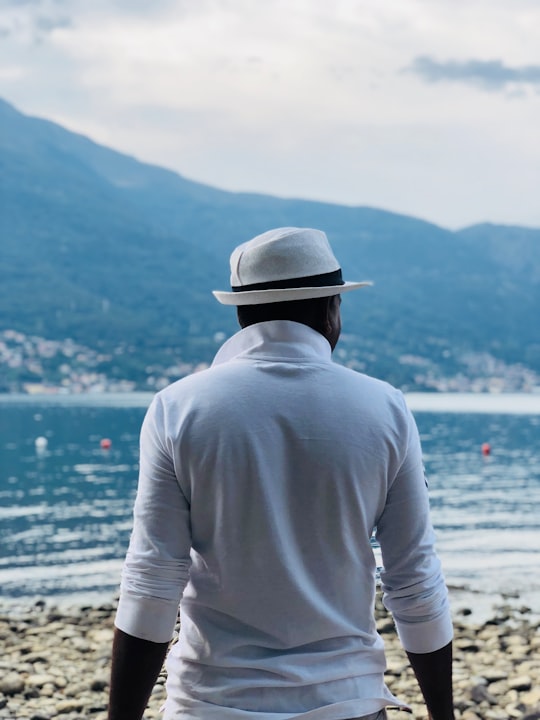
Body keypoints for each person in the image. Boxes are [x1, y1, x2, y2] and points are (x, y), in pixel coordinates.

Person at [108, 227, 454, 720]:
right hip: (347, 703)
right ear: (332, 307)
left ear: (240, 314)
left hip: (211, 705)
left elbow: (152, 581)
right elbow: (414, 578)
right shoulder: (385, 409)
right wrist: (445, 714)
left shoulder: (178, 408)